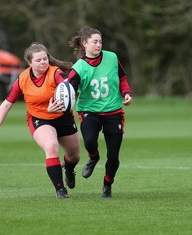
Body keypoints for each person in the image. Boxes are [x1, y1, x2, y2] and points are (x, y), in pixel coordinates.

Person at [0, 42, 80, 199]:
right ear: (30, 63)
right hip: (40, 119)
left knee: (74, 156)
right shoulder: (23, 79)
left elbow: (67, 87)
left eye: (44, 59)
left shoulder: (55, 72)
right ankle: (60, 190)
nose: (43, 62)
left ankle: (69, 169)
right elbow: (7, 103)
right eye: (38, 60)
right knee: (51, 147)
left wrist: (63, 98)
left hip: (63, 117)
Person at [67, 26, 133, 198]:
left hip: (113, 111)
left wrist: (126, 93)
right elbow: (70, 91)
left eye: (100, 41)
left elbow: (122, 77)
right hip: (90, 111)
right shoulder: (79, 68)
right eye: (95, 41)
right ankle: (93, 157)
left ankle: (107, 185)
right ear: (85, 44)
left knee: (113, 155)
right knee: (89, 141)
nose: (99, 45)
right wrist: (65, 99)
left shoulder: (112, 57)